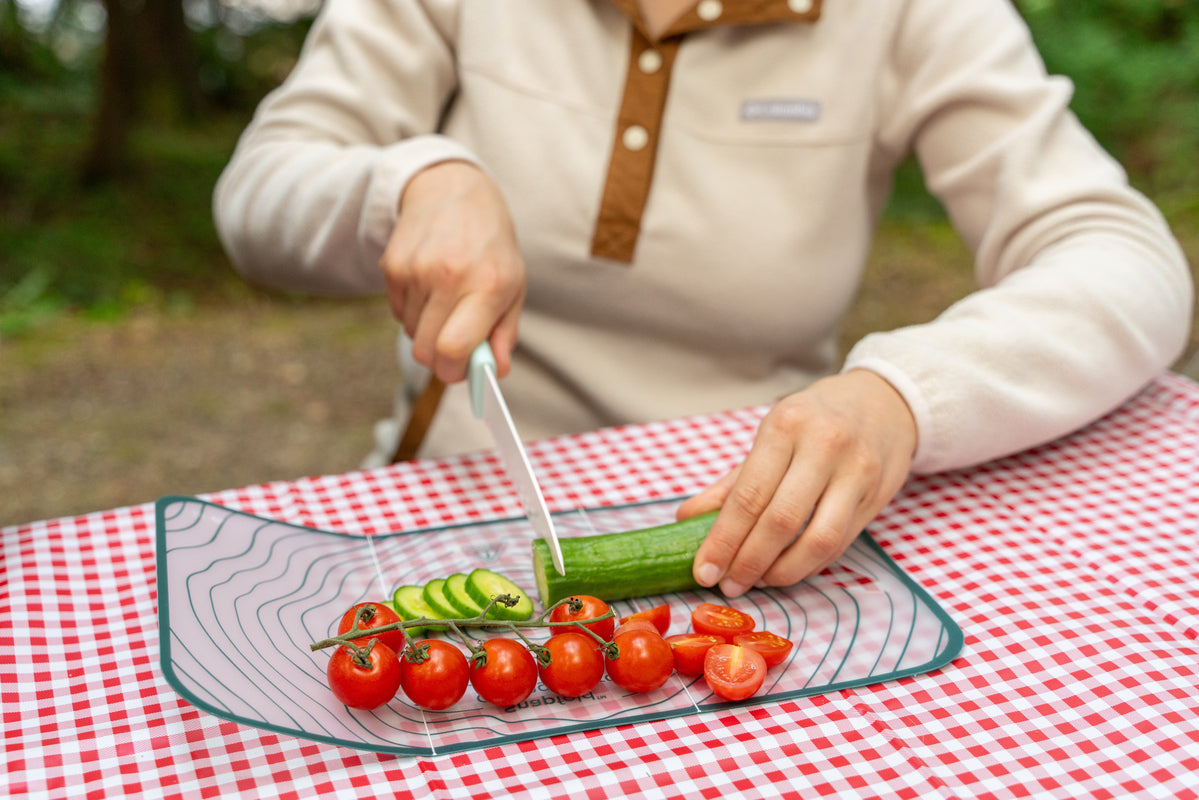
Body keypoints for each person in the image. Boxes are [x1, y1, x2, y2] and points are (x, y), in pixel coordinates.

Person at [213, 0, 1192, 599]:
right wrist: (409, 182)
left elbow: (1122, 255)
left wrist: (904, 395)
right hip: (453, 514)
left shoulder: (912, 12)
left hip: (748, 542)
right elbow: (258, 188)